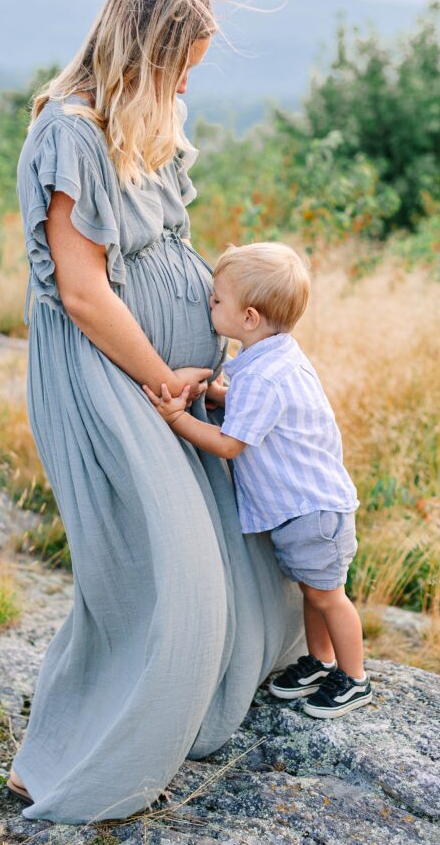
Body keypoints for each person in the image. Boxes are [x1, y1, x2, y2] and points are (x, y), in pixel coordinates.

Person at [8, 0, 305, 823]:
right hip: (114, 376)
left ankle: (177, 715)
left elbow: (164, 244)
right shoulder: (69, 133)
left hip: (172, 378)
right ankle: (69, 759)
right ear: (145, 52)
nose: (184, 85)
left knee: (228, 554)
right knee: (154, 572)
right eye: (179, 67)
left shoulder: (146, 123)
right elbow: (83, 290)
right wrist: (157, 375)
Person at [144, 241, 372, 719]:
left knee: (329, 597)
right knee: (312, 592)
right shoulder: (269, 358)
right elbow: (246, 405)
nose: (210, 305)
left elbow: (230, 444)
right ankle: (319, 660)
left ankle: (354, 678)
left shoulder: (267, 376)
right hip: (301, 511)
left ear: (248, 317)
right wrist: (214, 392)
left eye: (216, 301)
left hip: (314, 513)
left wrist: (177, 420)